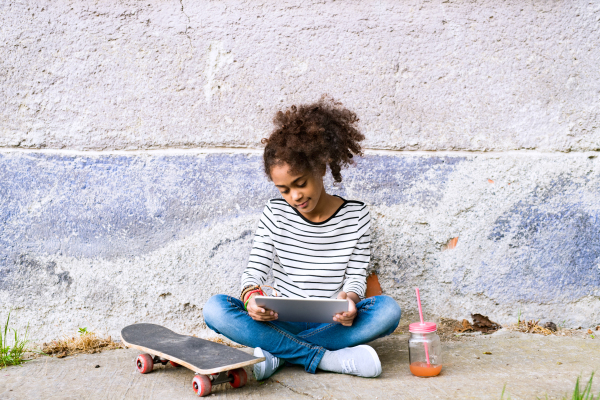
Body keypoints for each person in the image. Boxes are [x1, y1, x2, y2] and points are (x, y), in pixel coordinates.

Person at [203, 96, 401, 380]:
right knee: (215, 309)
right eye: (284, 189)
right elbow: (253, 274)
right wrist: (252, 301)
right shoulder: (275, 212)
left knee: (388, 311)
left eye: (300, 183)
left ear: (320, 167)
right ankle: (326, 359)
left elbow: (356, 276)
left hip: (333, 323)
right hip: (281, 320)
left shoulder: (356, 216)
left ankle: (278, 353)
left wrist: (351, 300)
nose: (294, 196)